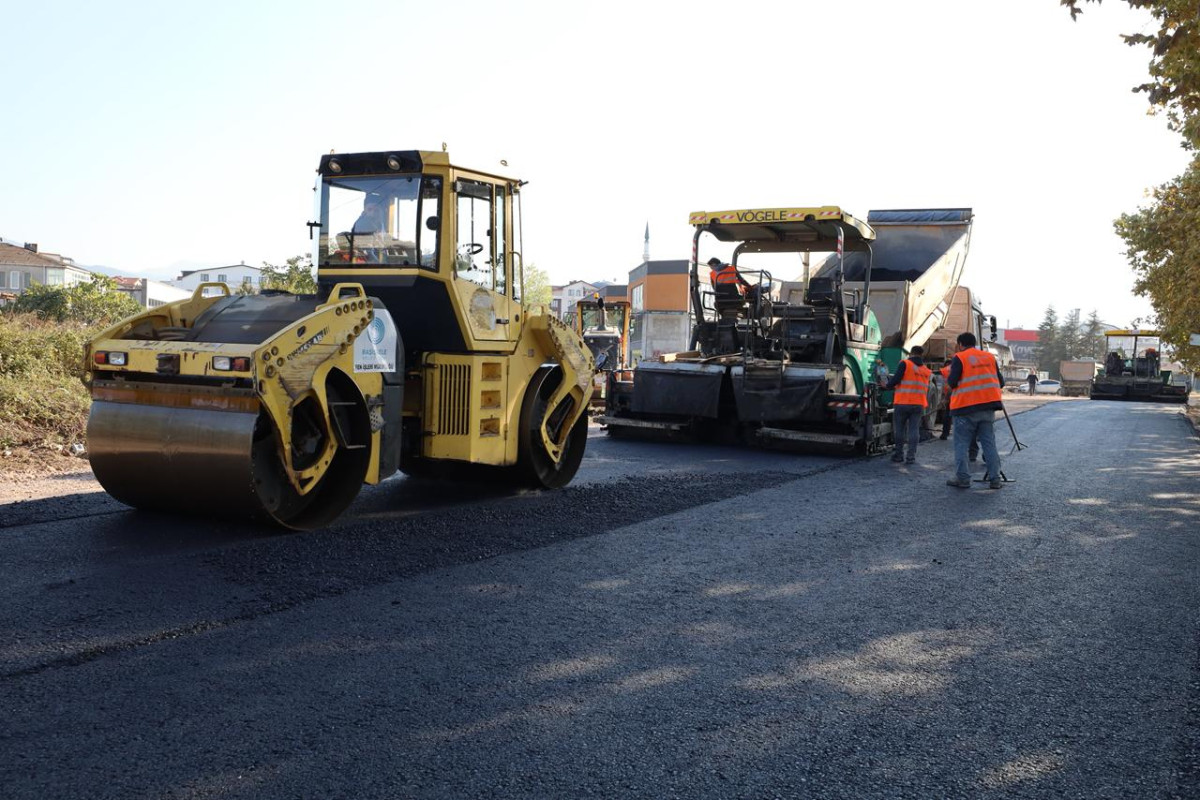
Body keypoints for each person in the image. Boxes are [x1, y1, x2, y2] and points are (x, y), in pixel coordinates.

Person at [945, 332, 1005, 489]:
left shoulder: (960, 357)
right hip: (988, 408)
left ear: (960, 344)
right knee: (989, 443)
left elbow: (952, 382)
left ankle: (963, 478)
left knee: (961, 444)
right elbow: (1001, 382)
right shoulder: (990, 358)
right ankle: (995, 479)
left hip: (965, 408)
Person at [885, 345, 932, 465]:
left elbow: (896, 379)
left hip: (903, 402)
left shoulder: (905, 364)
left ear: (911, 353)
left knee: (900, 429)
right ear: (921, 355)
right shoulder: (926, 370)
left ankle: (899, 455)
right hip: (919, 404)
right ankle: (911, 457)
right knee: (914, 430)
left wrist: (887, 385)